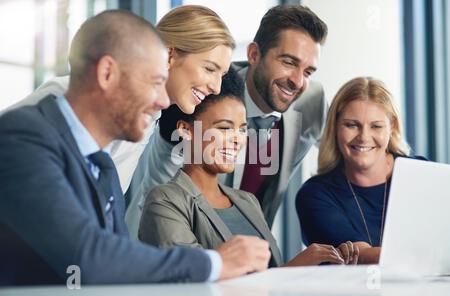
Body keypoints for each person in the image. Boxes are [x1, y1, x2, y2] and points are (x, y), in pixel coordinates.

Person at [0, 10, 270, 286]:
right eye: (154, 82)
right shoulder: (28, 132)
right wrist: (214, 262)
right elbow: (89, 254)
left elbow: (114, 246)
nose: (161, 102)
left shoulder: (107, 162)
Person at [126, 4, 329, 239]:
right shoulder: (200, 95)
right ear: (254, 54)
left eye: (308, 71)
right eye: (289, 62)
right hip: (179, 241)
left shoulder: (311, 101)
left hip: (252, 248)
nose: (297, 81)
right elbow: (159, 190)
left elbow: (354, 152)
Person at [3, 5, 235, 194]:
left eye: (221, 75)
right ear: (170, 55)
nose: (216, 88)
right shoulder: (66, 96)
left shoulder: (147, 122)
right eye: (209, 69)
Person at [139, 69, 357, 267]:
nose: (237, 140)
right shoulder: (165, 201)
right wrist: (294, 267)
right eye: (224, 128)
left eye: (242, 130)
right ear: (186, 130)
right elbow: (192, 281)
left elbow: (266, 277)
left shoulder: (247, 201)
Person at [296, 77, 426, 264]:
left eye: (376, 126)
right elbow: (361, 257)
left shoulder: (421, 174)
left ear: (392, 128)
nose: (364, 137)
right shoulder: (315, 195)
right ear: (335, 128)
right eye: (351, 125)